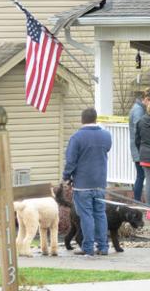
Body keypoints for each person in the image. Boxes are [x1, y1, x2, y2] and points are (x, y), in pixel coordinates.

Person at [63, 108, 112, 257]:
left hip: (83, 184)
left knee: (86, 216)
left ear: (82, 119)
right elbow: (107, 150)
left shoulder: (77, 138)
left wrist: (66, 177)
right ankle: (103, 247)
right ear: (96, 119)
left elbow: (71, 161)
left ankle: (88, 248)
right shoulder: (106, 136)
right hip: (100, 182)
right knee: (100, 214)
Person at [127, 88, 150, 202]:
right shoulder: (138, 110)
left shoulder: (139, 108)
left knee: (141, 176)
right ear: (146, 99)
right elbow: (140, 129)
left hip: (139, 148)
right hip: (140, 149)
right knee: (142, 176)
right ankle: (138, 201)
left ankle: (138, 201)